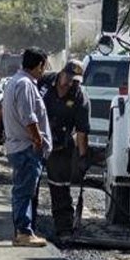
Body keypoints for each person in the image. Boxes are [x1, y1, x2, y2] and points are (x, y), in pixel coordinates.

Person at [34, 59, 90, 244]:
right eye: (69, 78)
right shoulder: (43, 83)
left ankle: (63, 228)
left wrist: (82, 157)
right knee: (30, 186)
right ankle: (26, 226)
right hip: (36, 141)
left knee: (60, 188)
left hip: (60, 146)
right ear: (62, 73)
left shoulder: (79, 97)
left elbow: (82, 131)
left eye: (75, 80)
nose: (70, 83)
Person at [2, 47, 52, 247]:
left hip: (20, 146)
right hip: (26, 148)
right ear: (39, 64)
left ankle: (23, 230)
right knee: (24, 191)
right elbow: (28, 117)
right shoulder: (25, 85)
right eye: (44, 66)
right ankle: (23, 232)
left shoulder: (16, 82)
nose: (44, 70)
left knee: (24, 190)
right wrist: (38, 140)